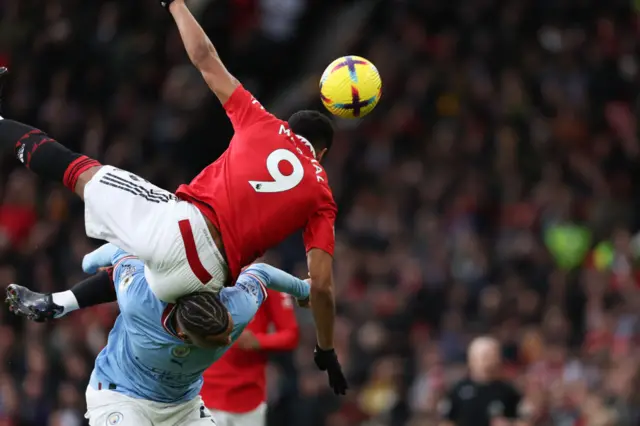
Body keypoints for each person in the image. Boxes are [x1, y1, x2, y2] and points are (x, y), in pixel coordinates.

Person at [0, 0, 346, 393]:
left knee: (79, 171)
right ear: (322, 154)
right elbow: (321, 285)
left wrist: (177, 5)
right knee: (138, 259)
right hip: (206, 283)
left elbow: (204, 57)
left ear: (288, 126)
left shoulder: (263, 122)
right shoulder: (322, 195)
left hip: (181, 226)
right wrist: (326, 349)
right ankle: (65, 300)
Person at [6, 243, 310, 425]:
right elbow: (123, 253)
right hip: (121, 395)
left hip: (183, 405)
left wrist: (304, 289)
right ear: (185, 335)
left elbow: (263, 273)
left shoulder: (238, 307)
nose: (227, 340)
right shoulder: (143, 301)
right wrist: (69, 292)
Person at [202, 288, 300, 426]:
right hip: (203, 396)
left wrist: (258, 341)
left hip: (248, 399)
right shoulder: (196, 278)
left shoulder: (268, 280)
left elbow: (291, 335)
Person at [439, 337, 527, 426]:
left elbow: (523, 420)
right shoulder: (457, 390)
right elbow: (446, 421)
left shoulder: (508, 391)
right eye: (483, 356)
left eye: (491, 356)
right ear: (471, 359)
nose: (487, 361)